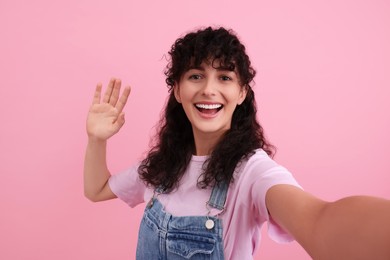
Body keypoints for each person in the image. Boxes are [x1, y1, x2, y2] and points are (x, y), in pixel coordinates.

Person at [84, 27, 390, 259]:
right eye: (195, 76)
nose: (208, 89)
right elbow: (97, 190)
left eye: (225, 77)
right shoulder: (163, 166)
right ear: (177, 90)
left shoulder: (252, 173)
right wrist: (96, 140)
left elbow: (319, 221)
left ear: (242, 92)